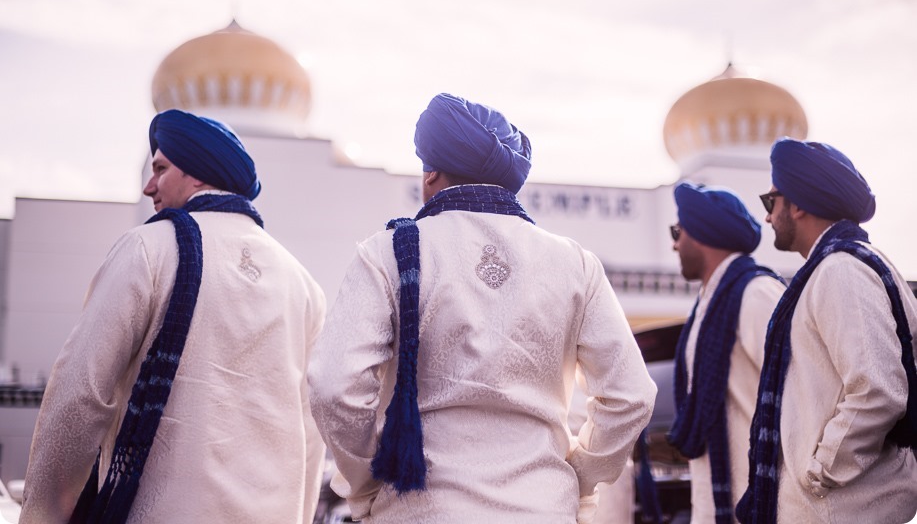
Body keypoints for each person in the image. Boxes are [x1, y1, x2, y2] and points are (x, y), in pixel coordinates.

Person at [307, 92, 656, 523]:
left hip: (421, 510)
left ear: (431, 172)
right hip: (544, 509)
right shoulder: (574, 263)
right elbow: (632, 396)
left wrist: (368, 482)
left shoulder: (389, 255)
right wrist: (577, 477)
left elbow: (332, 388)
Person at [19, 109, 327, 524]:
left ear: (198, 175)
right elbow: (311, 433)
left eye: (160, 169)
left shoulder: (148, 248)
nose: (150, 186)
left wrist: (43, 516)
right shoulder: (302, 282)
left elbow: (80, 396)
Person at [737, 138, 917, 524]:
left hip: (841, 511)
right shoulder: (834, 269)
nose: (767, 217)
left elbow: (879, 390)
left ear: (797, 204)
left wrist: (819, 471)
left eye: (771, 202)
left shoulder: (841, 272)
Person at [667, 182, 785, 524]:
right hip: (715, 504)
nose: (674, 243)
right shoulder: (709, 303)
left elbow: (798, 401)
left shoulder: (756, 294)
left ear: (703, 234)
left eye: (678, 230)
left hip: (758, 507)